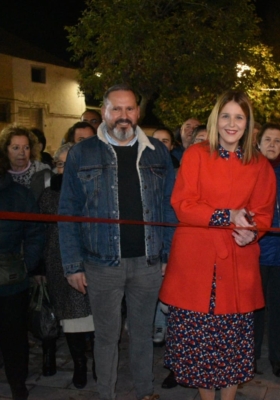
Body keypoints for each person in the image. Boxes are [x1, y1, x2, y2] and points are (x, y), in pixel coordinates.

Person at [58, 83, 175, 400]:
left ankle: (145, 392)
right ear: (104, 113)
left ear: (138, 111)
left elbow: (169, 205)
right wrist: (72, 265)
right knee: (107, 337)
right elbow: (68, 211)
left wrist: (167, 254)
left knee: (142, 335)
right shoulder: (82, 154)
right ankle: (106, 394)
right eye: (116, 109)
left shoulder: (157, 151)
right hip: (100, 264)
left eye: (130, 108)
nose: (124, 116)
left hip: (148, 262)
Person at [160, 90, 276, 400]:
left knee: (233, 347)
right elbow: (182, 204)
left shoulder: (260, 164)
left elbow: (263, 213)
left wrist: (252, 232)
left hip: (237, 263)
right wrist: (226, 215)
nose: (232, 123)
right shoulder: (196, 155)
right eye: (225, 116)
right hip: (196, 264)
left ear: (248, 123)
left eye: (239, 117)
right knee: (199, 346)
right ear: (215, 120)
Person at [39, 143, 95, 389]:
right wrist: (39, 267)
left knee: (97, 317)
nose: (65, 168)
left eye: (70, 162)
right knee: (72, 320)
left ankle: (98, 363)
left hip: (94, 261)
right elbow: (40, 233)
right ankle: (79, 364)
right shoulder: (49, 195)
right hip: (59, 263)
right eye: (60, 164)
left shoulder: (94, 191)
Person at [0, 147, 45, 400]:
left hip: (10, 281)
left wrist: (26, 265)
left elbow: (35, 233)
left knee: (14, 335)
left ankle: (18, 383)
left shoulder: (19, 194)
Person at [254, 123, 280, 377]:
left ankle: (278, 357)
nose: (271, 144)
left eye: (277, 140)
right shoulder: (249, 167)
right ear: (258, 143)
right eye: (267, 139)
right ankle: (252, 356)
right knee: (255, 309)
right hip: (256, 252)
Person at [0, 124, 51, 200]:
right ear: (5, 150)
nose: (22, 152)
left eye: (26, 147)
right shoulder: (2, 175)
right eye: (16, 148)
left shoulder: (43, 173)